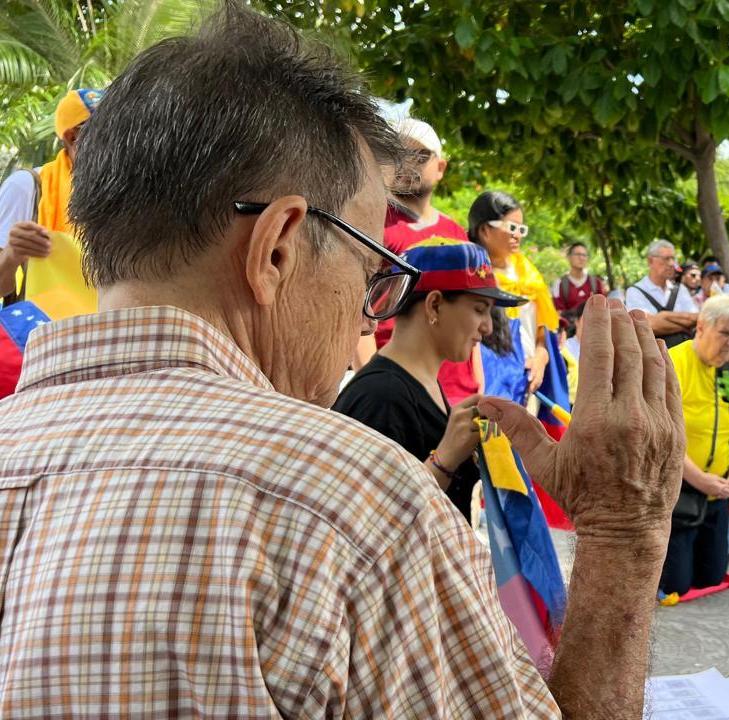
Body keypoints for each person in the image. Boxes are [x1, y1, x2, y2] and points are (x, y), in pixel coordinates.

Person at [0, 6, 686, 716]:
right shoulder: (352, 500)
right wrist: (624, 531)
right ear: (277, 248)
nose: (369, 312)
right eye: (372, 268)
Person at [334, 238, 524, 520]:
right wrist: (445, 460)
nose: (487, 327)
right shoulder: (381, 397)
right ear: (434, 305)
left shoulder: (421, 384)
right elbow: (368, 524)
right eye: (480, 309)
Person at [661, 294, 729, 596]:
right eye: (725, 332)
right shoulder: (673, 363)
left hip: (717, 493)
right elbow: (662, 437)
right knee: (677, 585)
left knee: (712, 578)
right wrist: (699, 479)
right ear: (700, 327)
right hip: (680, 490)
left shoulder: (728, 371)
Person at [370, 118, 469, 354]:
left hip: (450, 376)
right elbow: (354, 306)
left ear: (441, 168)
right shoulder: (371, 221)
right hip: (390, 365)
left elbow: (468, 304)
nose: (408, 163)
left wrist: (476, 377)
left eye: (421, 155)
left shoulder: (456, 233)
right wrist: (371, 376)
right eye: (398, 153)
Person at [0, 88, 104, 309]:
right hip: (38, 334)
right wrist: (12, 255)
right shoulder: (27, 187)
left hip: (103, 336)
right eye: (107, 133)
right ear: (72, 137)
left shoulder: (125, 194)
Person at [468, 190, 558, 394]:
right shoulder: (472, 274)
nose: (517, 235)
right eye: (512, 227)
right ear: (485, 230)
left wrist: (540, 358)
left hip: (528, 382)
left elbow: (543, 332)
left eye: (521, 229)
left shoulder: (529, 274)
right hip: (489, 382)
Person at [626, 239, 699, 347]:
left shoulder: (680, 289)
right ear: (650, 261)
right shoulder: (635, 291)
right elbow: (647, 325)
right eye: (666, 259)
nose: (671, 263)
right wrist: (685, 324)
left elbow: (696, 318)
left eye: (673, 258)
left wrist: (662, 316)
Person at [551, 240, 607, 314]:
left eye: (584, 255)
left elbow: (603, 308)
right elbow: (559, 312)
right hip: (570, 324)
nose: (581, 258)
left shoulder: (596, 282)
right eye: (577, 254)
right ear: (569, 257)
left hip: (593, 324)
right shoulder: (559, 284)